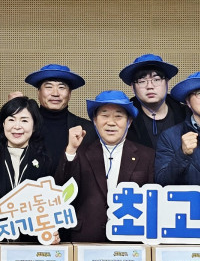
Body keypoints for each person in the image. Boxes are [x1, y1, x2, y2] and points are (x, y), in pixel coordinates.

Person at [55, 90, 155, 243]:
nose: (111, 122)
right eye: (104, 115)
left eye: (118, 116)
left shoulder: (147, 156)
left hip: (130, 241)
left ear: (129, 122)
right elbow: (60, 191)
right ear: (95, 121)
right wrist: (71, 150)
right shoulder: (79, 153)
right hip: (87, 240)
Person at [0, 96, 56, 234]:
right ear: (3, 124)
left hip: (30, 240)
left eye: (24, 120)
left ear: (34, 126)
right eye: (11, 120)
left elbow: (49, 206)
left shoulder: (44, 161)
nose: (17, 126)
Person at [119, 54, 187, 150]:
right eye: (142, 81)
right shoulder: (125, 117)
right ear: (132, 88)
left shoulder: (186, 114)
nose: (150, 86)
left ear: (167, 83)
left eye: (156, 80)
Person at [25, 63, 93, 160]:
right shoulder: (24, 126)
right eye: (49, 87)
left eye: (61, 87)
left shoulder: (87, 129)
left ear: (69, 94)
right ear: (38, 92)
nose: (55, 93)